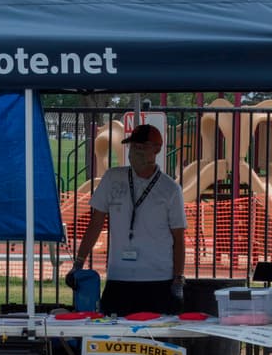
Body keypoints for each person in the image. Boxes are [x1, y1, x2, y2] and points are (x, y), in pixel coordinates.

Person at [67, 124, 187, 315]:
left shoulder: (170, 189)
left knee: (153, 342)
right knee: (114, 338)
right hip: (119, 277)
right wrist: (78, 264)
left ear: (156, 149)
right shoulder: (112, 178)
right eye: (133, 147)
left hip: (157, 279)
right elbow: (95, 224)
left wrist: (178, 279)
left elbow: (178, 239)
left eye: (142, 147)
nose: (136, 152)